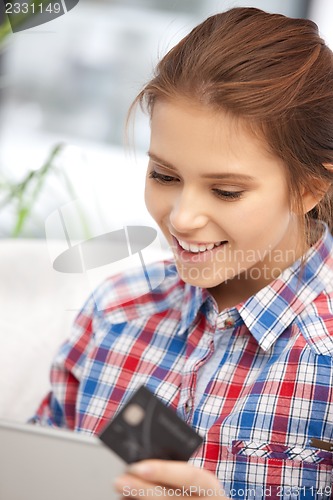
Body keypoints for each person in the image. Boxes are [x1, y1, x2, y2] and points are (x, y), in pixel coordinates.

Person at [33, 7, 333, 500]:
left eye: (227, 191)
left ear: (308, 189)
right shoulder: (114, 313)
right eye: (165, 176)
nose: (182, 218)